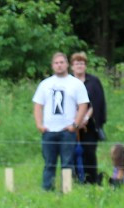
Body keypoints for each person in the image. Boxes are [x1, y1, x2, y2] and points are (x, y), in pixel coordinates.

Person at [32, 52, 89, 191]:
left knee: (67, 163)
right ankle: (47, 189)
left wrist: (75, 124)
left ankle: (66, 189)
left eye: (61, 62)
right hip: (49, 130)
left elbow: (83, 105)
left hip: (67, 131)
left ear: (67, 64)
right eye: (56, 63)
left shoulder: (75, 83)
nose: (59, 65)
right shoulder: (45, 84)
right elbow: (38, 105)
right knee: (49, 163)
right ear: (52, 65)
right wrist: (39, 124)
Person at [71, 52, 107, 184]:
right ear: (72, 66)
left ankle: (91, 180)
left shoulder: (93, 82)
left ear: (85, 66)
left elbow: (97, 103)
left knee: (89, 152)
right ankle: (75, 179)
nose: (79, 66)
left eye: (82, 63)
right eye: (77, 63)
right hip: (71, 124)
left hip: (89, 125)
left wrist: (85, 117)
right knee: (71, 153)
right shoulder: (68, 81)